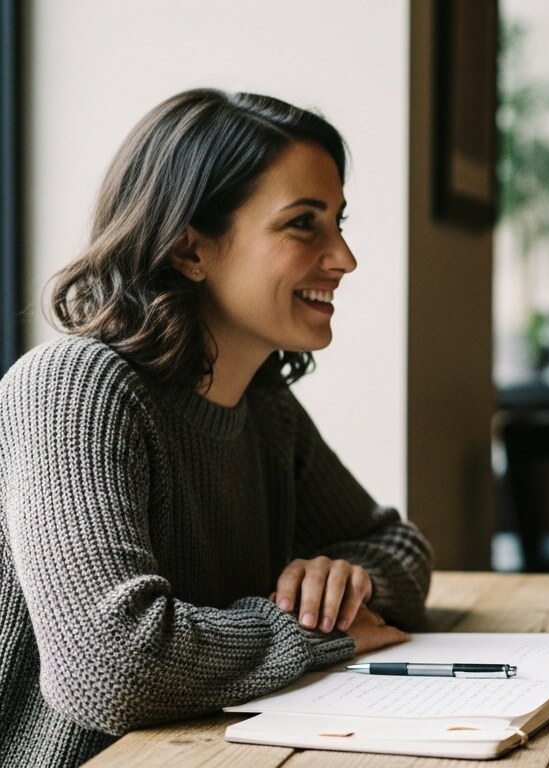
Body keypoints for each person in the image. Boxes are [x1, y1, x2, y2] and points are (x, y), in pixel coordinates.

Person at [0, 89, 433, 767]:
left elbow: (396, 544)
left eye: (339, 222)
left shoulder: (266, 408)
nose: (344, 257)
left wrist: (348, 581)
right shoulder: (72, 388)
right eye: (304, 224)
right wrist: (313, 630)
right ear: (188, 248)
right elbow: (108, 664)